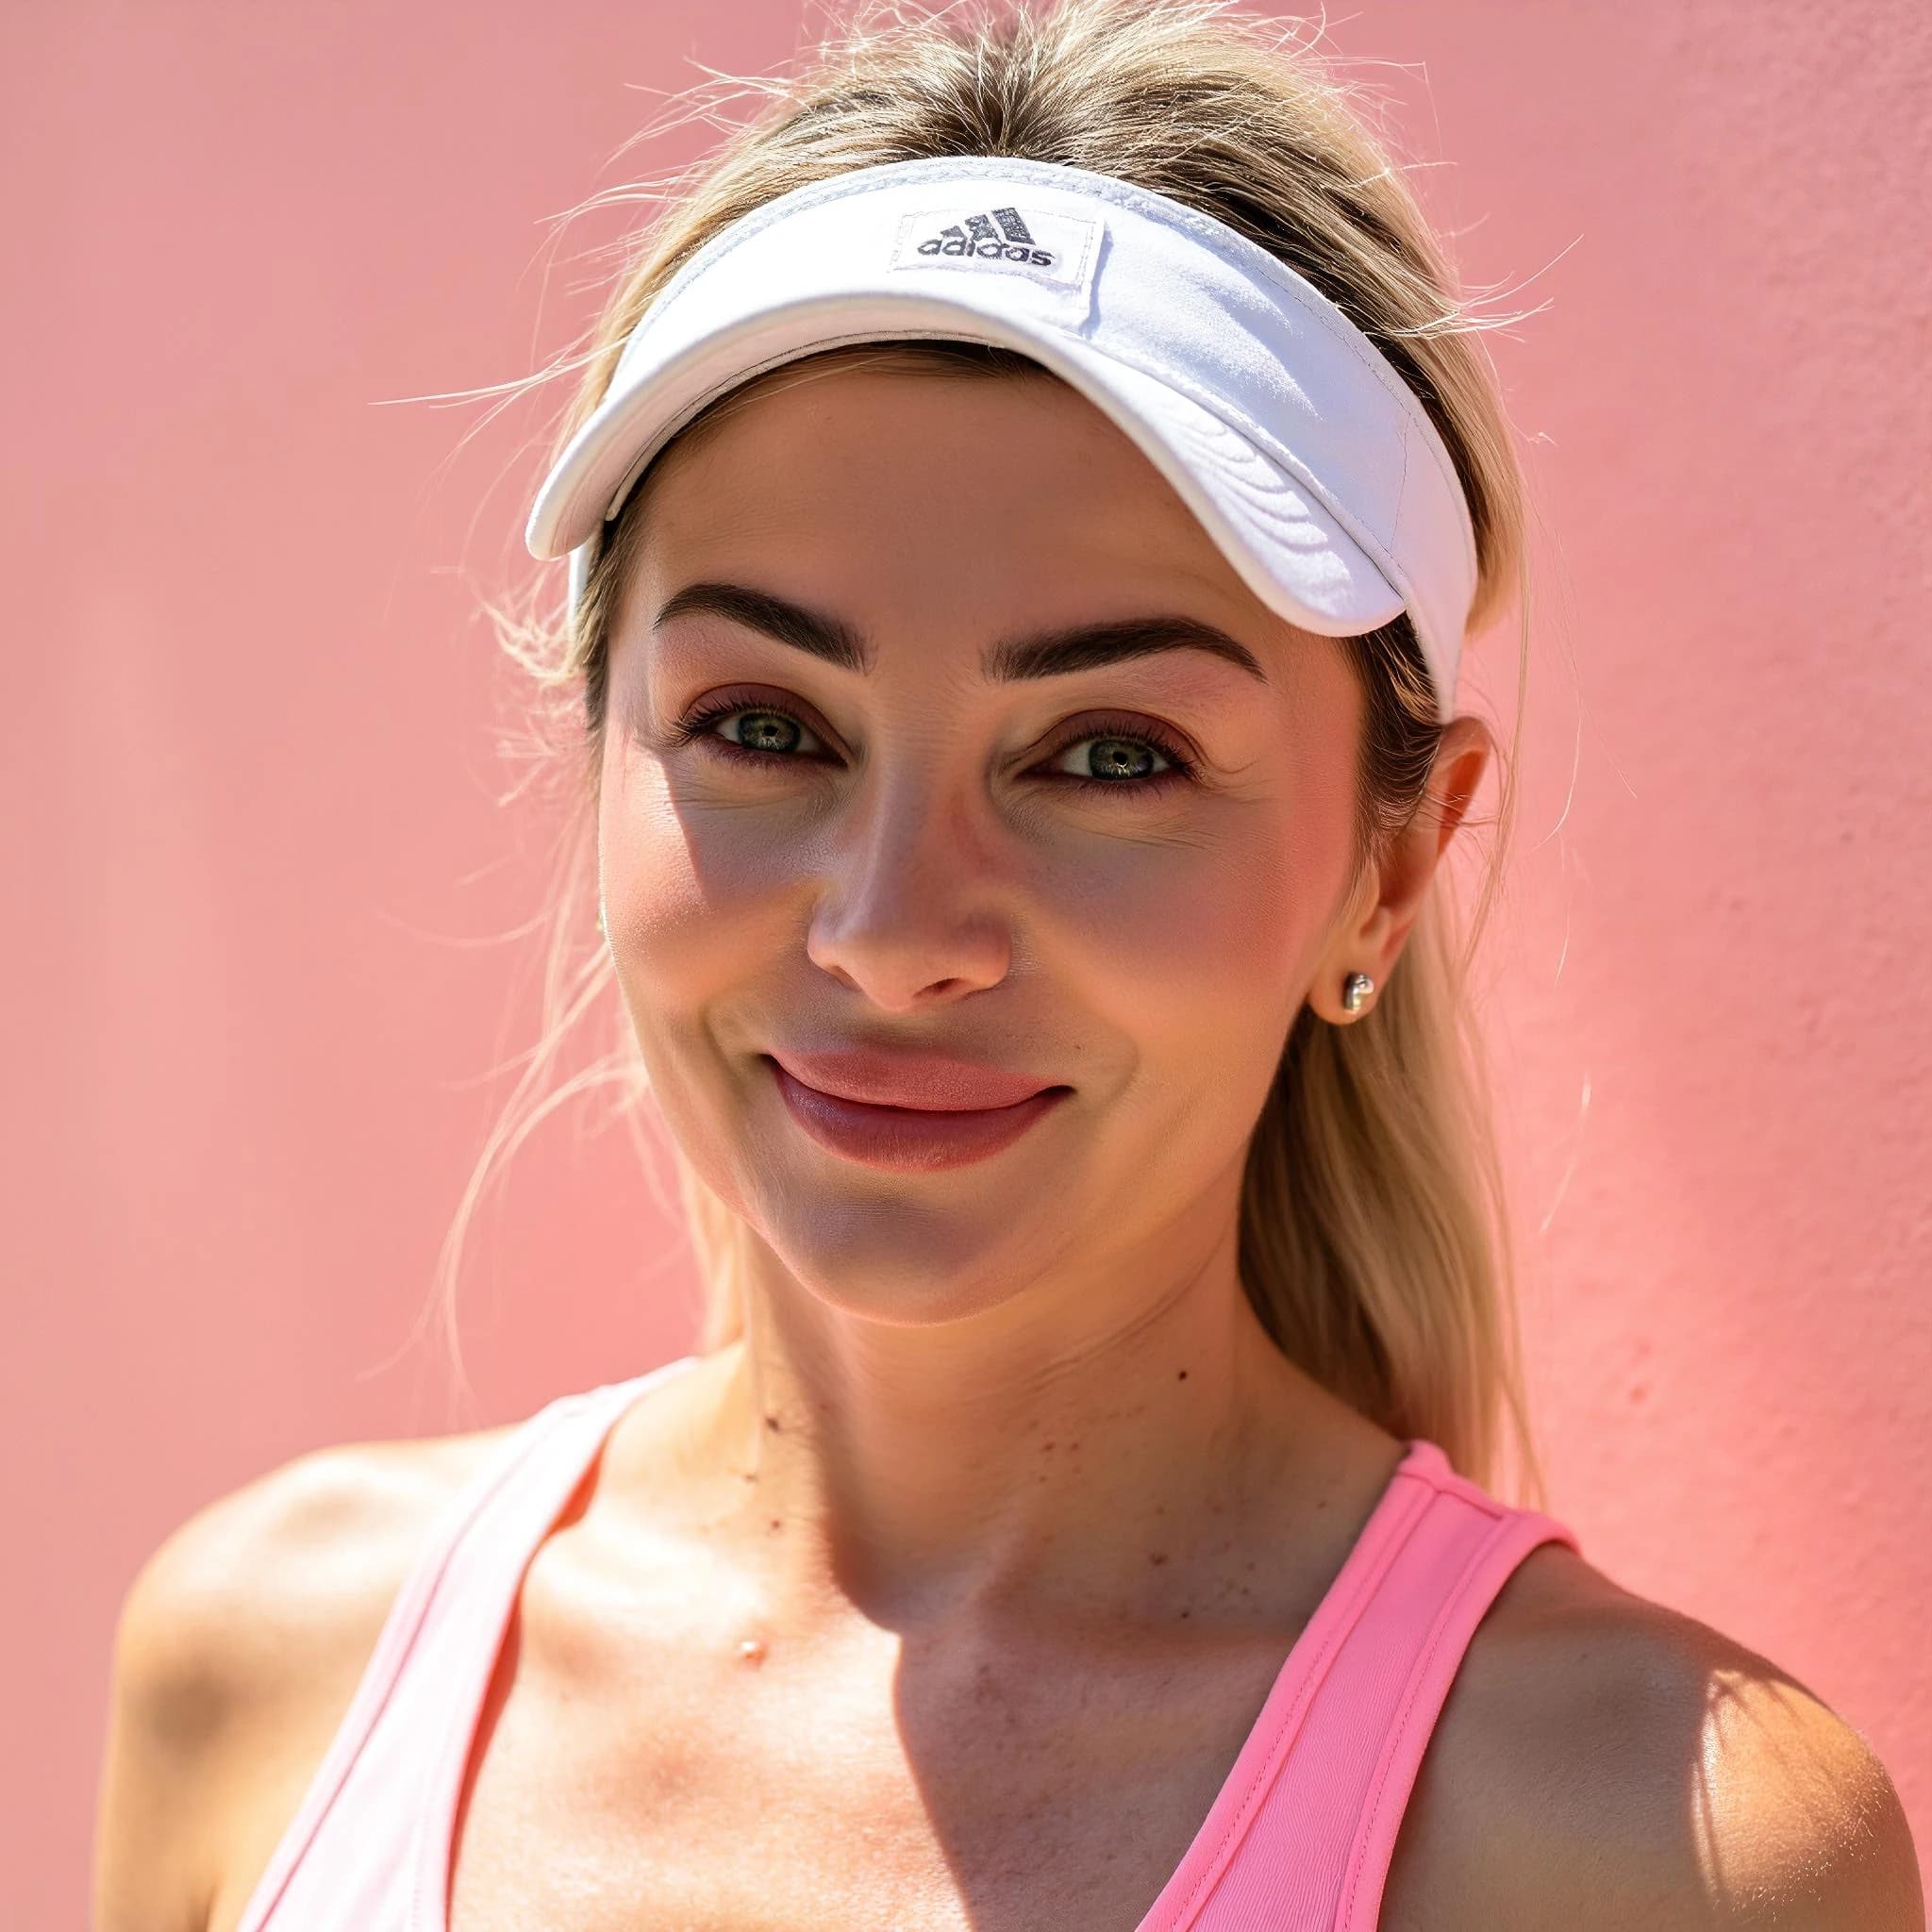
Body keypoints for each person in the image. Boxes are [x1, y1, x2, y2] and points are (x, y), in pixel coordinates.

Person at [92, 2, 1922, 1927]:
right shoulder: (265, 1671)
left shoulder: (1652, 1850)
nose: (891, 932)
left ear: (1394, 859)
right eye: (764, 722)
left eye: (1111, 755)